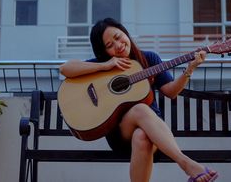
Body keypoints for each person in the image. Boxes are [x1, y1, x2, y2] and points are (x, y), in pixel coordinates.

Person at [59, 18, 218, 182]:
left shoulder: (148, 58)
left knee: (141, 136)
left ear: (125, 32)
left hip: (155, 134)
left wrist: (189, 69)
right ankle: (186, 163)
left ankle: (187, 165)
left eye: (118, 37)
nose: (118, 45)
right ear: (104, 51)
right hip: (120, 134)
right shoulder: (105, 64)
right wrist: (105, 66)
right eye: (109, 45)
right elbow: (65, 69)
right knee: (140, 109)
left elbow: (171, 92)